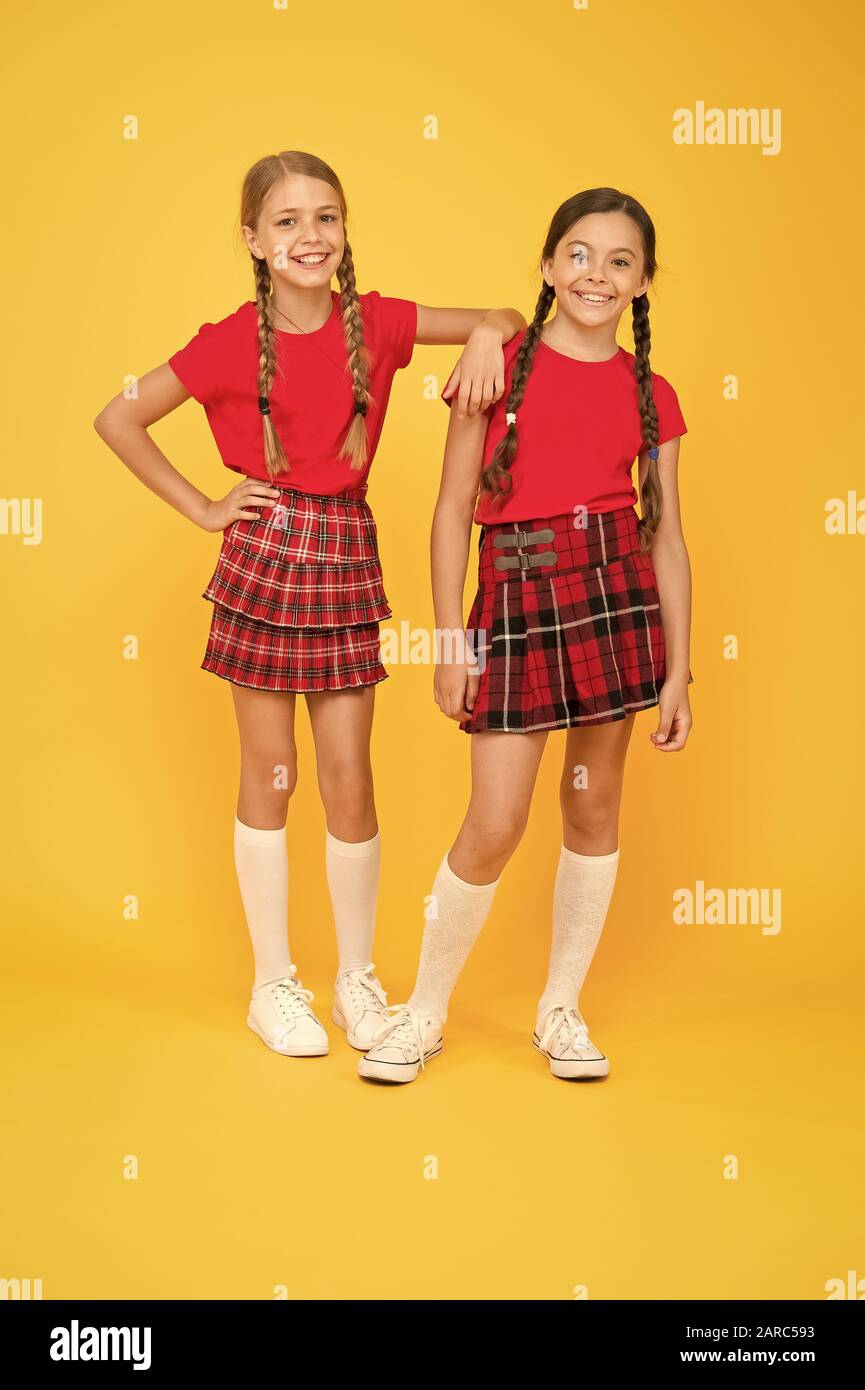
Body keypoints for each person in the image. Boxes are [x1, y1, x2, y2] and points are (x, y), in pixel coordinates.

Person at [93, 149, 526, 1060]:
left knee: (347, 778)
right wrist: (206, 507)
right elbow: (117, 418)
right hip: (265, 552)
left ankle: (354, 980)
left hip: (342, 549)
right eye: (286, 222)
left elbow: (506, 316)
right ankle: (271, 983)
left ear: (344, 231)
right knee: (269, 775)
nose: (309, 236)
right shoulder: (222, 340)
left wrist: (489, 332)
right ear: (251, 240)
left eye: (325, 217)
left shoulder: (380, 323)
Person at [359, 187, 693, 1084]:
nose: (596, 274)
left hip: (616, 598)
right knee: (495, 818)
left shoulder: (651, 392)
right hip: (515, 600)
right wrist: (448, 642)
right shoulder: (495, 362)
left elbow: (664, 534)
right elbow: (451, 510)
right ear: (548, 266)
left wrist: (679, 671)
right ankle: (422, 1012)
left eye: (619, 261)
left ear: (642, 282)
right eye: (578, 254)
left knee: (591, 807)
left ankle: (559, 1009)